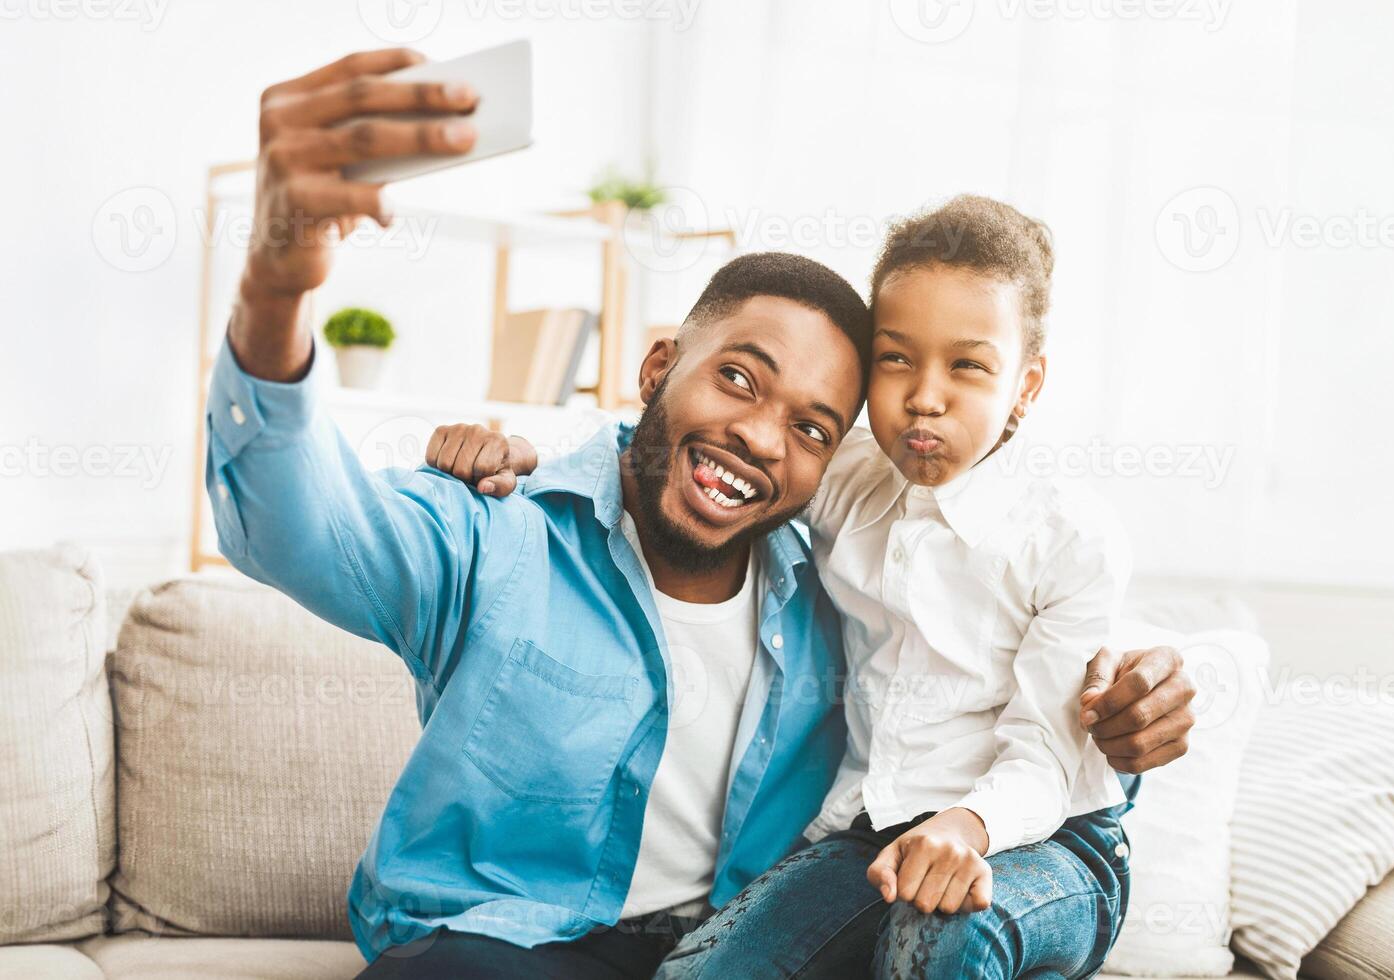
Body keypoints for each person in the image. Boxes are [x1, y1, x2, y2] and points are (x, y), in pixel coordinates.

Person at [208, 47, 1198, 979]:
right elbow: (294, 527)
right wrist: (274, 280)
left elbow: (1005, 622)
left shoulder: (827, 562)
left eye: (814, 426)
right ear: (656, 366)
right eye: (738, 377)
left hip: (779, 918)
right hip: (507, 943)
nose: (767, 439)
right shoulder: (500, 533)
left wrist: (1135, 687)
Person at [435, 196, 1145, 978]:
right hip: (870, 836)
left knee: (946, 933)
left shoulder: (1071, 537)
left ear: (1026, 383)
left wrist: (968, 825)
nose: (925, 396)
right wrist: (540, 455)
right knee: (698, 971)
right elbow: (692, 441)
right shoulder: (847, 479)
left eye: (968, 366)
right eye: (897, 358)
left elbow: (1048, 751)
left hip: (1044, 842)